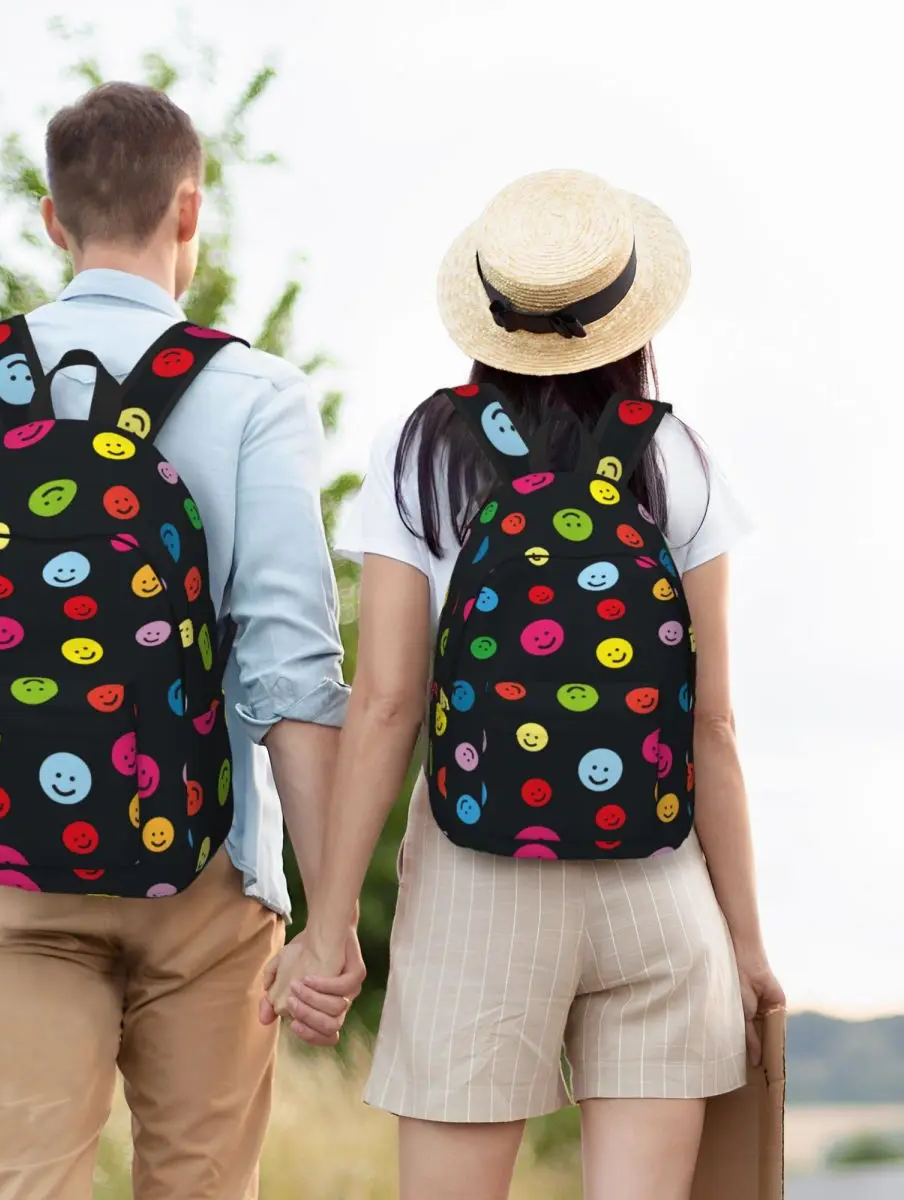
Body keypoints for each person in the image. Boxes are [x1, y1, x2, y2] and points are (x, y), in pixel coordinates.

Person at [0, 81, 364, 1200]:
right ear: (190, 213)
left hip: (4, 871)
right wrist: (331, 914)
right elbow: (291, 679)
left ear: (53, 219)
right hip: (206, 872)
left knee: (30, 1186)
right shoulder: (254, 394)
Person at [266, 169, 785, 1200]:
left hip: (477, 882)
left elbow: (385, 706)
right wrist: (748, 945)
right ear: (630, 317)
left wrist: (327, 927)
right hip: (658, 885)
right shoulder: (676, 457)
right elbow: (713, 724)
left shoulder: (422, 453)